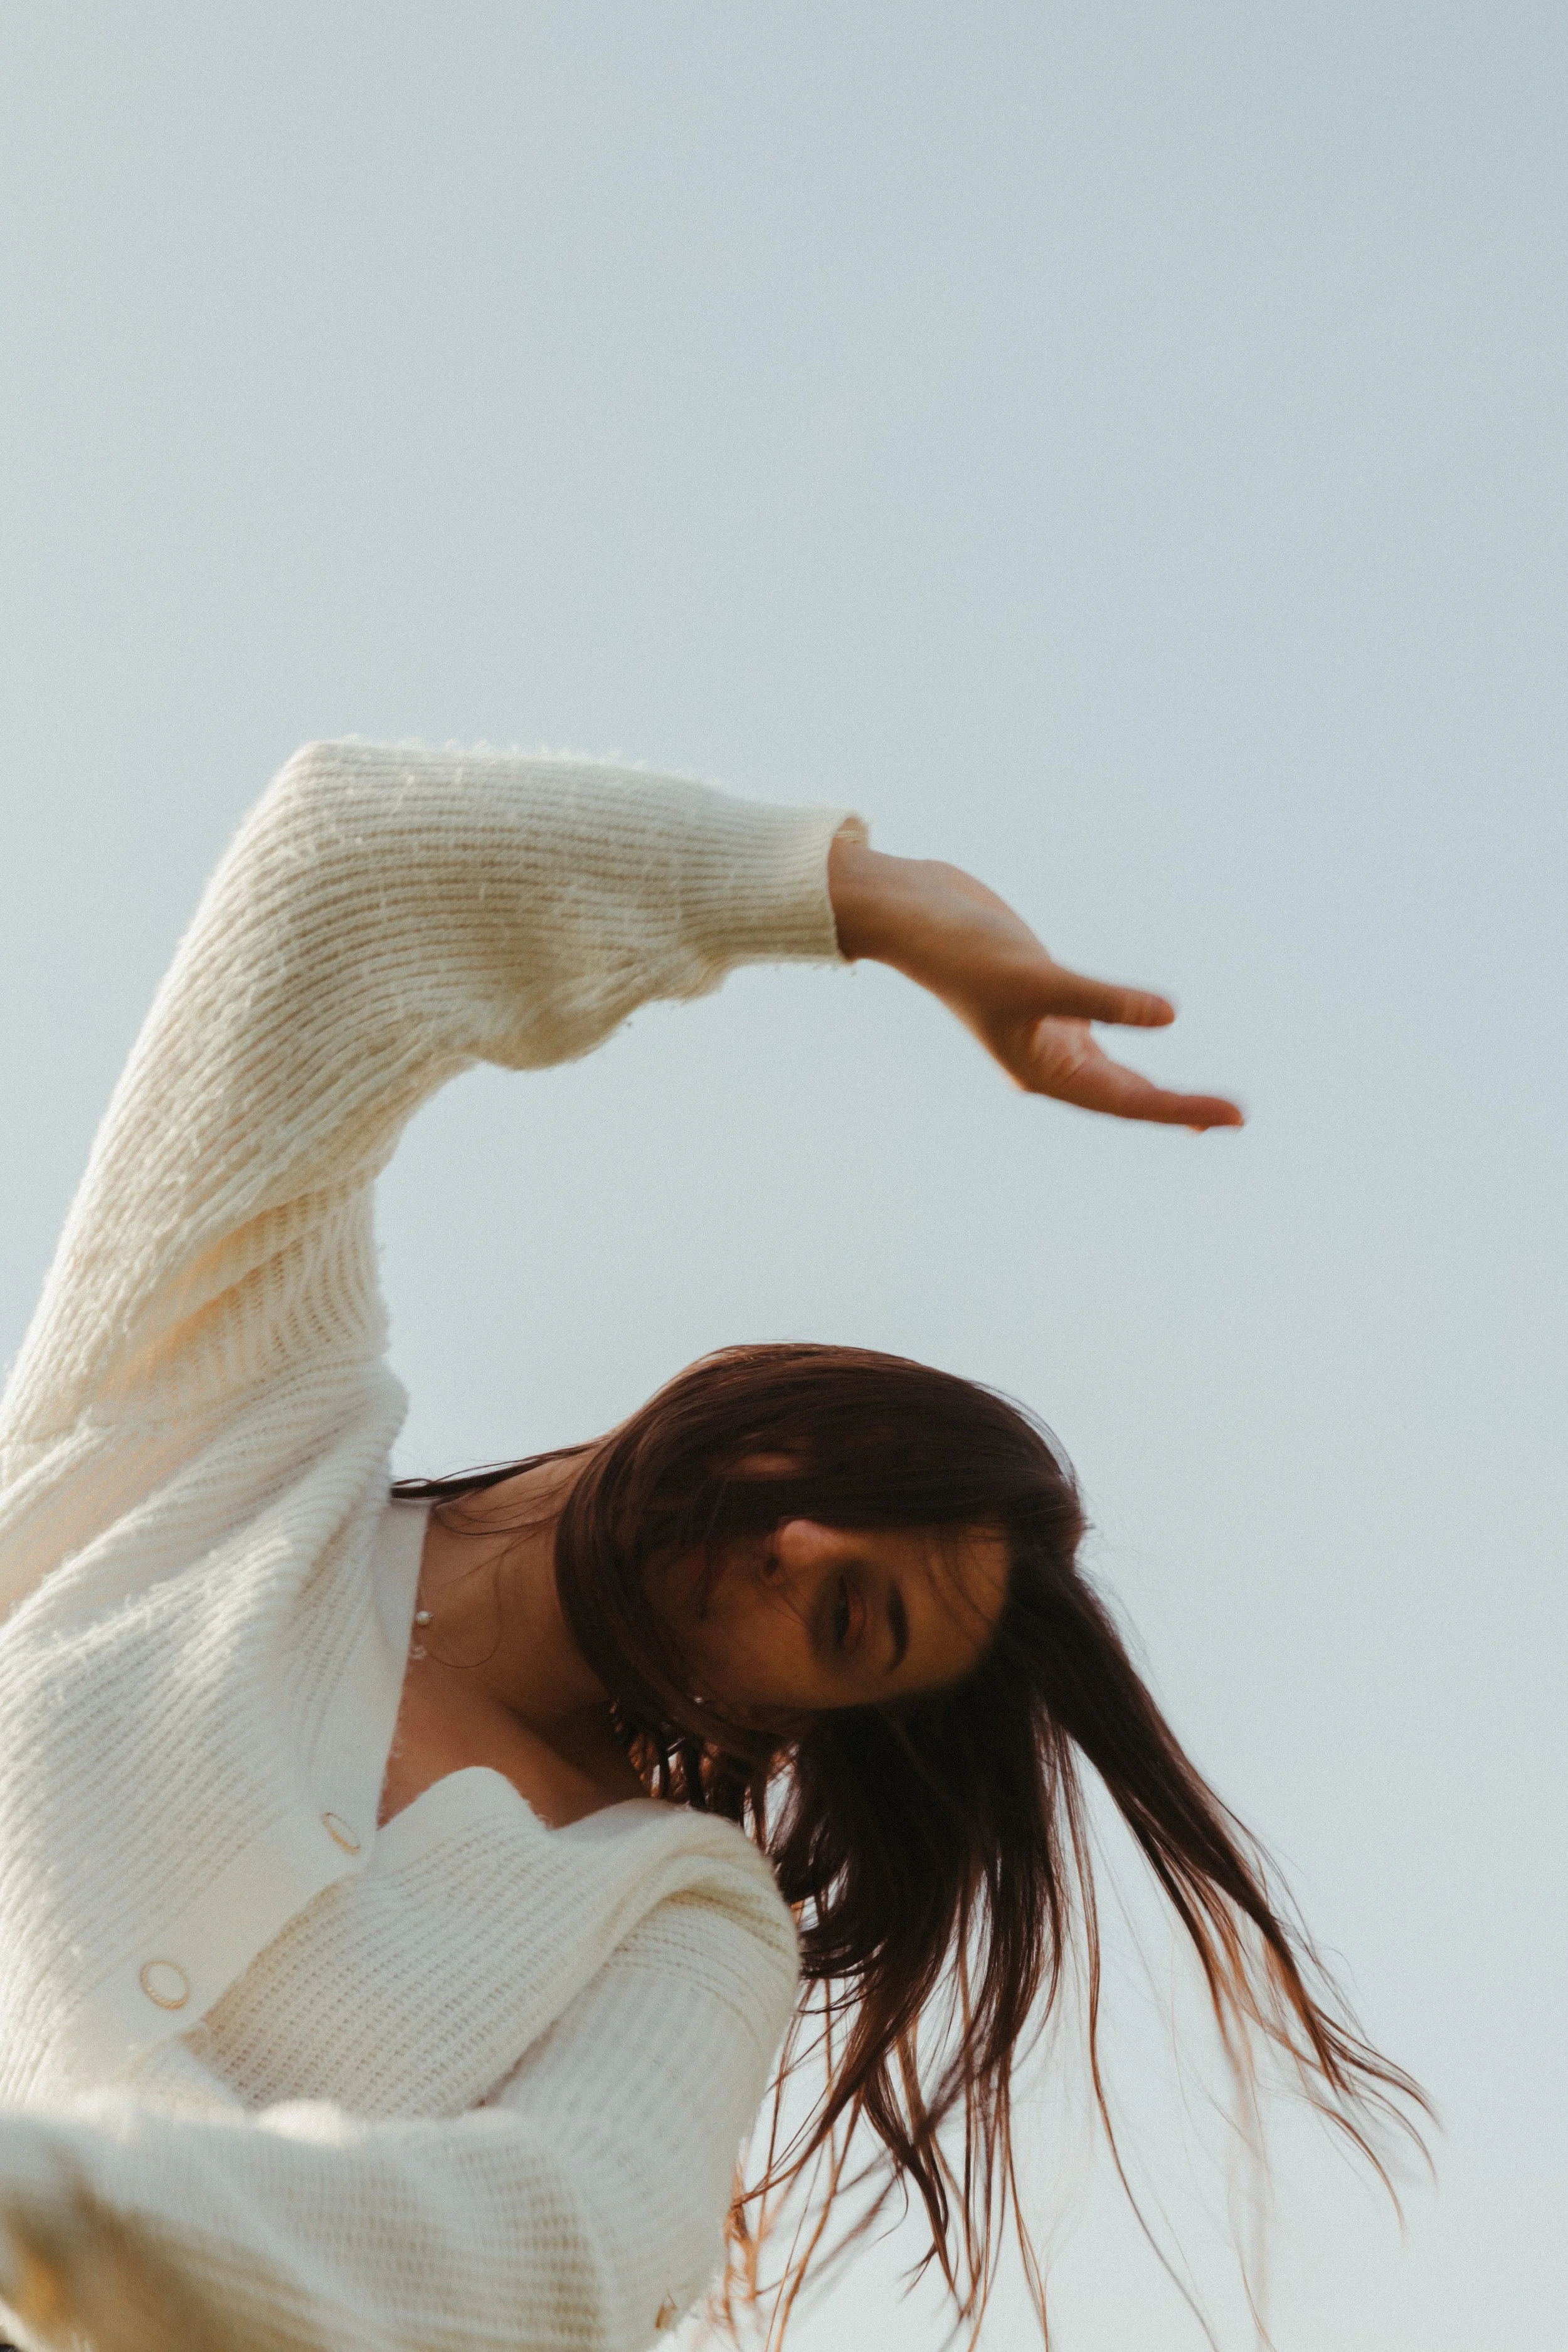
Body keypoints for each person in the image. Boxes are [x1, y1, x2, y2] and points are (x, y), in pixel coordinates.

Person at [0, 741, 1419, 2352]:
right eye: (837, 1464)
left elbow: (565, 2247)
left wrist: (52, 2197)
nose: (793, 1538)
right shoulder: (231, 1427)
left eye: (853, 1617)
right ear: (762, 1387)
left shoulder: (679, 1921)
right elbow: (334, 884)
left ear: (793, 1719)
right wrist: (861, 898)